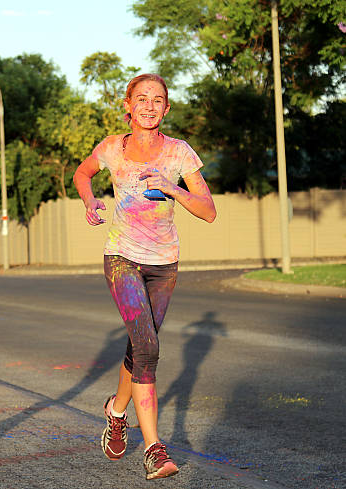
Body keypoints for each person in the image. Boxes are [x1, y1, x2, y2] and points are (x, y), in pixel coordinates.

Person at [73, 74, 216, 480]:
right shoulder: (112, 149)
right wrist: (89, 200)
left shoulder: (179, 153)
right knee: (149, 348)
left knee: (141, 346)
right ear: (128, 105)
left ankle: (116, 411)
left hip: (164, 263)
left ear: (166, 108)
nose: (149, 106)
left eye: (158, 100)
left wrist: (174, 189)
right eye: (142, 99)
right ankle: (155, 449)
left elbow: (208, 210)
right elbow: (82, 174)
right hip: (122, 257)